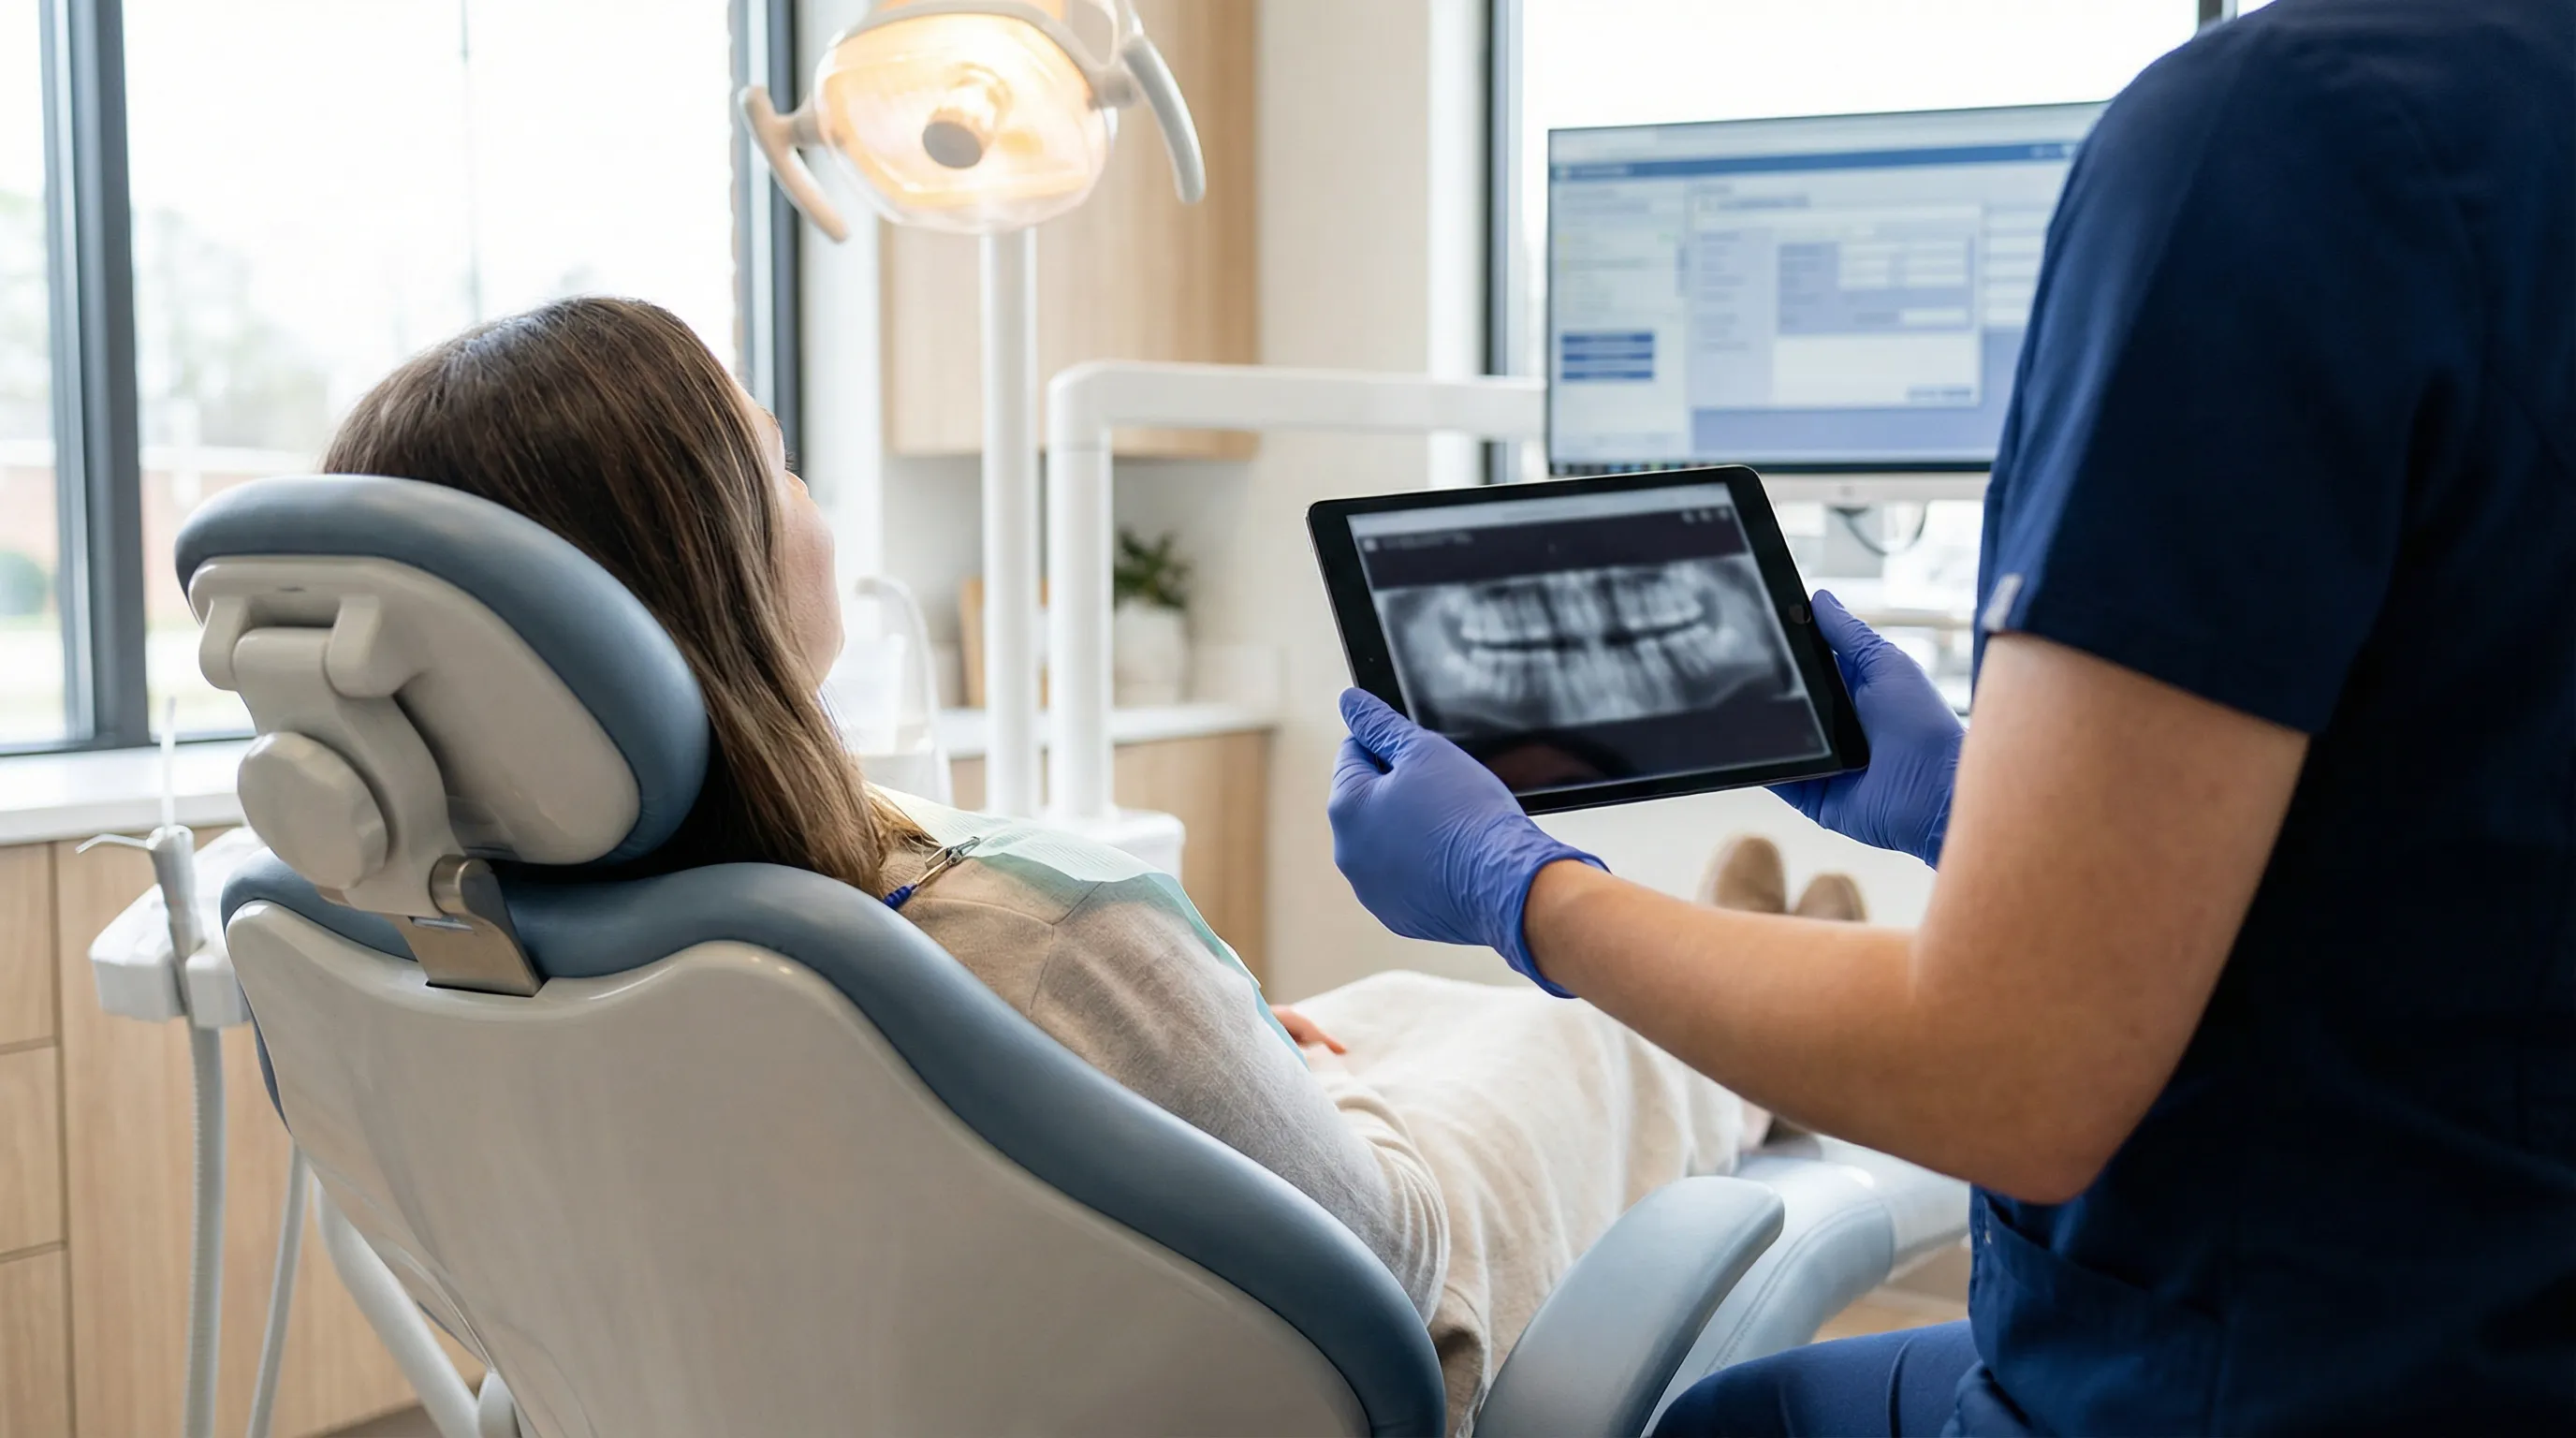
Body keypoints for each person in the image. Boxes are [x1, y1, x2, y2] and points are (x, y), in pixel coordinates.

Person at [1325, 1, 2573, 1431]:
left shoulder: (2283, 134)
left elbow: (2013, 1080)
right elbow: (2467, 807)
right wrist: (1980, 808)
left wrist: (1523, 891)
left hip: (2290, 1371)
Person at [315, 293, 1783, 1427]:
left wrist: (1232, 1050)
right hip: (1383, 1294)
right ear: (716, 570)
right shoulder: (1030, 930)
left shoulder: (445, 960)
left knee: (1396, 1007)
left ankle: (1597, 989)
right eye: (782, 462)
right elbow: (1392, 1279)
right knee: (1570, 1041)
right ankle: (1745, 1043)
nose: (815, 495)